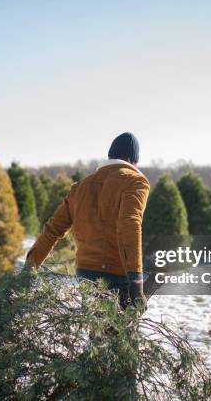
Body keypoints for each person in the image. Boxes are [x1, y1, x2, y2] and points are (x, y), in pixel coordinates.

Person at [26, 132, 151, 308]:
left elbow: (53, 229)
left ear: (110, 156)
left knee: (98, 332)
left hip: (85, 272)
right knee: (118, 333)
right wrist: (136, 282)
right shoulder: (135, 181)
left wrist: (30, 267)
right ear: (134, 161)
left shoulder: (81, 186)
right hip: (116, 275)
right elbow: (129, 225)